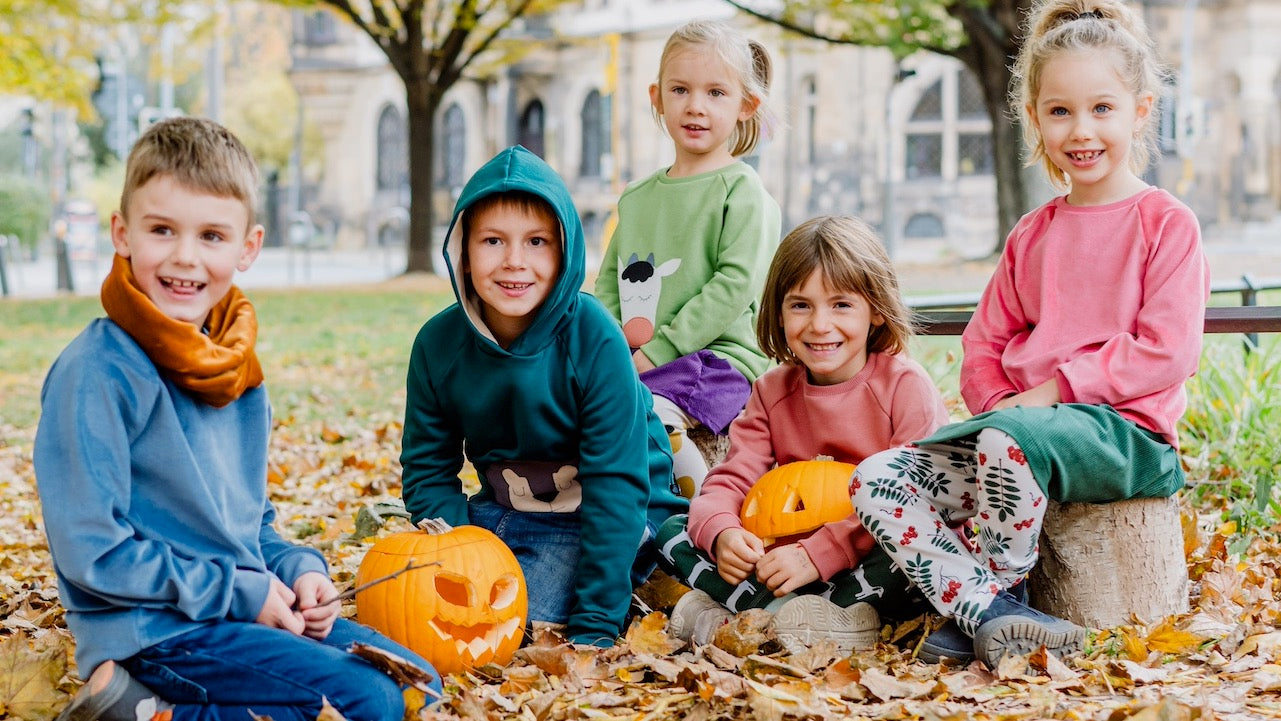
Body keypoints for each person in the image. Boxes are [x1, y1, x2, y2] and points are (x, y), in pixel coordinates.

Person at [35, 117, 440, 721]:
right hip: (152, 631)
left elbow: (248, 527)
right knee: (369, 701)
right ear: (123, 234)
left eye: (211, 236)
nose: (184, 257)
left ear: (247, 247)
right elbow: (92, 553)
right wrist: (242, 592)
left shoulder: (234, 370)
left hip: (231, 609)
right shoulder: (98, 371)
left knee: (416, 682)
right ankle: (139, 711)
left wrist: (298, 572)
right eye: (162, 230)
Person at [850, 0, 1210, 668]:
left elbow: (1166, 349)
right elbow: (983, 343)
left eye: (1102, 108)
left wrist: (1046, 394)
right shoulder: (1032, 233)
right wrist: (997, 406)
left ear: (1139, 110)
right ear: (1035, 118)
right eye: (1059, 111)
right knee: (878, 476)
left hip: (1125, 435)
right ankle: (993, 612)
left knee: (1005, 438)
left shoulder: (1165, 223)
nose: (1081, 129)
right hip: (1017, 439)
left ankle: (994, 590)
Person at [399, 145, 687, 648]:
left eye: (537, 242)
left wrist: (594, 625)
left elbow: (617, 486)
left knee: (521, 617)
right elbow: (427, 469)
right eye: (492, 241)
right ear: (463, 253)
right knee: (413, 589)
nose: (515, 262)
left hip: (613, 514)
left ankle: (639, 580)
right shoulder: (437, 345)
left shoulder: (593, 336)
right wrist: (460, 549)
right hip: (510, 509)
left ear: (564, 251)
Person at [657, 215, 949, 653]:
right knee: (673, 532)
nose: (819, 325)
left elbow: (914, 498)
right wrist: (723, 533)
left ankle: (753, 618)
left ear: (876, 312)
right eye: (800, 305)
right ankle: (795, 620)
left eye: (841, 305)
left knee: (910, 548)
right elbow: (733, 479)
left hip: (865, 560)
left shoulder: (904, 388)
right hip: (781, 565)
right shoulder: (773, 391)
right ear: (778, 311)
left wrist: (819, 555)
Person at [593, 20, 783, 499]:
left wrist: (655, 352)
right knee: (587, 412)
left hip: (717, 361)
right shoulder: (638, 197)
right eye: (680, 89)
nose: (695, 106)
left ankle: (702, 512)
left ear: (746, 106)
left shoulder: (741, 192)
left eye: (716, 93)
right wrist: (612, 348)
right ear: (657, 97)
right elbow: (610, 285)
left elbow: (733, 286)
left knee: (651, 415)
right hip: (641, 359)